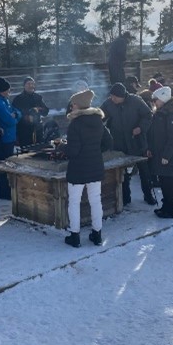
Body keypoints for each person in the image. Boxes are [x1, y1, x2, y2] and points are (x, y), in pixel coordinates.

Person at [63, 89, 113, 248]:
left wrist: (62, 148)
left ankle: (75, 236)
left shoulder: (75, 124)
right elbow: (108, 142)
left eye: (73, 105)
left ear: (78, 105)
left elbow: (73, 151)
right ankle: (97, 235)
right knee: (95, 201)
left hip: (78, 168)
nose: (71, 108)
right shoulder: (98, 121)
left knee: (74, 202)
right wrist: (95, 152)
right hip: (95, 165)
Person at [100, 82, 156, 206]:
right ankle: (125, 197)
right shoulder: (108, 104)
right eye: (111, 96)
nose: (112, 98)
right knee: (122, 173)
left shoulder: (136, 101)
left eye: (115, 96)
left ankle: (148, 196)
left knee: (144, 172)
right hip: (119, 143)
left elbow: (148, 115)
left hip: (137, 141)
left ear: (122, 96)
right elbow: (100, 117)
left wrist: (141, 128)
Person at [148, 86, 173, 219]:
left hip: (171, 156)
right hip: (161, 154)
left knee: (171, 183)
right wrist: (151, 149)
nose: (153, 103)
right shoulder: (161, 112)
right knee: (164, 182)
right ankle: (166, 206)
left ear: (163, 99)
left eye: (155, 100)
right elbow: (154, 134)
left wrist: (166, 155)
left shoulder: (172, 114)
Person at [0, 77, 21, 200]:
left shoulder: (5, 101)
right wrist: (14, 118)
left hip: (10, 137)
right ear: (3, 90)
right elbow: (9, 120)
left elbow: (17, 112)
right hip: (4, 139)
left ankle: (7, 190)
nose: (10, 92)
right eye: (8, 90)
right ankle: (4, 192)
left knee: (8, 165)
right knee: (5, 166)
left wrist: (15, 116)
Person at [12, 76, 50, 146]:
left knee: (39, 151)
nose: (31, 86)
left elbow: (46, 111)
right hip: (24, 130)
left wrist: (38, 109)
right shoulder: (18, 99)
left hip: (37, 129)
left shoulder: (38, 97)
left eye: (32, 84)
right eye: (28, 84)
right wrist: (27, 114)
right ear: (24, 86)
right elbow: (16, 113)